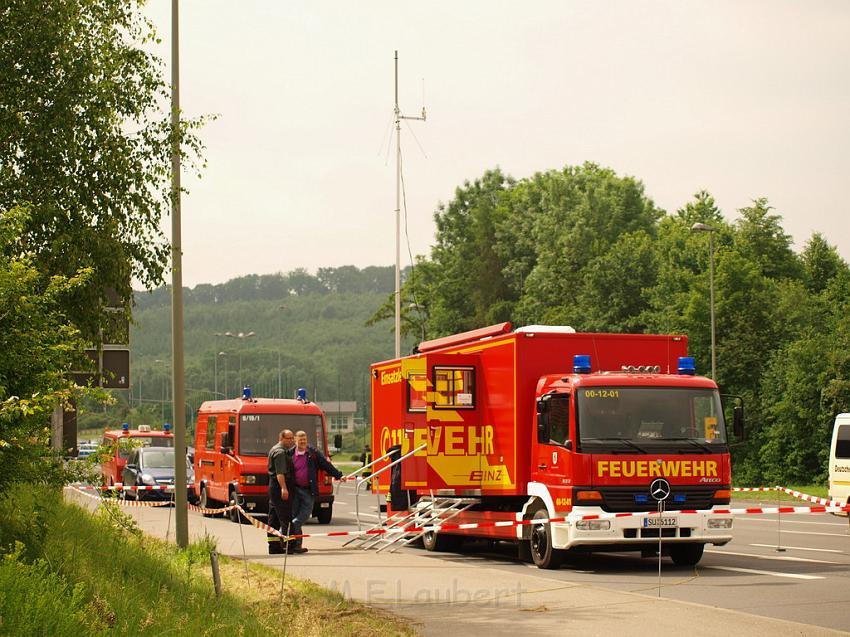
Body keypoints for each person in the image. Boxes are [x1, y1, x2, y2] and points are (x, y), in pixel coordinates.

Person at [288, 430, 343, 553]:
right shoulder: (289, 454)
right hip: (295, 490)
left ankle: (286, 533)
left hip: (308, 491)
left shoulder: (313, 453)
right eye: (300, 439)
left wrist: (339, 475)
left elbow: (326, 465)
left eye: (304, 439)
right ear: (295, 440)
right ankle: (296, 545)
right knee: (294, 515)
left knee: (302, 517)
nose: (303, 441)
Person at [267, 429, 295, 555]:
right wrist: (284, 488)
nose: (291, 440)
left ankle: (274, 546)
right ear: (281, 438)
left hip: (274, 487)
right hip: (279, 487)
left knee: (274, 519)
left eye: (292, 438)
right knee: (286, 517)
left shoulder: (276, 449)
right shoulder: (280, 453)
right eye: (289, 438)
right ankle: (291, 545)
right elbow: (280, 473)